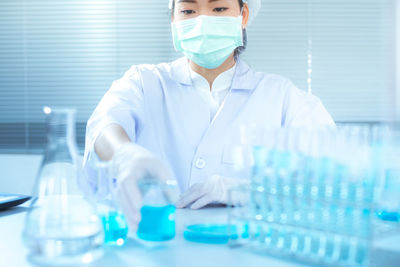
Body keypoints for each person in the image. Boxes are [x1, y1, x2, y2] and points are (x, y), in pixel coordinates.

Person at [83, 0, 334, 232]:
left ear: (243, 15)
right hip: (154, 251)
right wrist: (125, 155)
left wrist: (249, 192)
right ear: (173, 19)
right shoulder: (143, 82)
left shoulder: (282, 97)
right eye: (188, 11)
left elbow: (333, 173)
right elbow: (105, 123)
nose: (202, 20)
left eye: (219, 9)